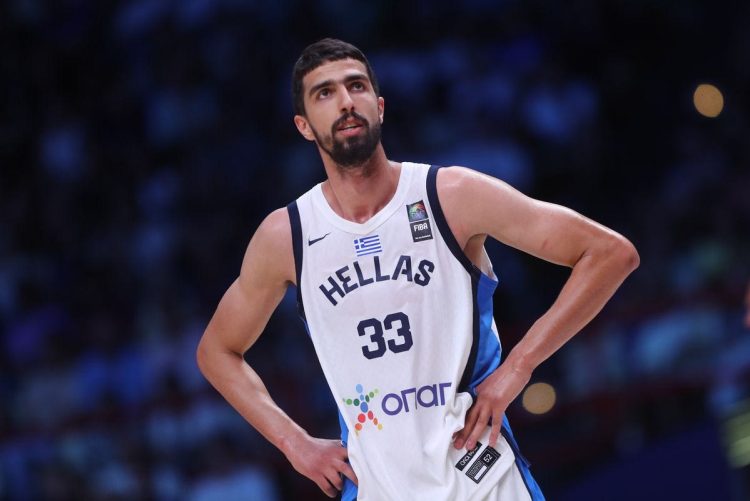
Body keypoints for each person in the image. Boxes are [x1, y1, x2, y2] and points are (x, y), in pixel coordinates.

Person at [196, 38, 639, 500]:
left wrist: (519, 367)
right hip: (376, 487)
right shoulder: (287, 235)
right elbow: (216, 351)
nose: (346, 101)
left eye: (356, 86)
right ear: (304, 126)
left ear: (380, 106)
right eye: (325, 93)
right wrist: (293, 442)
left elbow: (610, 254)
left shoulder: (450, 195)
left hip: (483, 480)